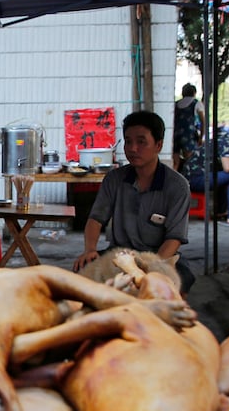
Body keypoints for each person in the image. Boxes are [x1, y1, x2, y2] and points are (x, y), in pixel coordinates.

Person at [73, 111, 195, 293]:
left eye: (141, 142)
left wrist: (152, 267)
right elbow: (95, 220)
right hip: (118, 253)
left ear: (158, 145)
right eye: (128, 141)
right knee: (81, 274)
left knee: (177, 281)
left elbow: (174, 238)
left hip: (160, 256)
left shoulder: (177, 186)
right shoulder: (114, 179)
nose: (133, 148)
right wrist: (90, 249)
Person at [184, 125, 229, 227]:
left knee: (227, 176)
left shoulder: (223, 139)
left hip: (193, 178)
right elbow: (228, 167)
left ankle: (221, 211)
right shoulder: (226, 143)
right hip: (195, 179)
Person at [172, 83, 205, 171]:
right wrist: (201, 137)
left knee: (175, 162)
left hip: (175, 134)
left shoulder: (176, 104)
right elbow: (203, 121)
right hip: (189, 135)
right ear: (194, 93)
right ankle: (190, 180)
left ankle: (171, 181)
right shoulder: (196, 103)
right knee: (190, 160)